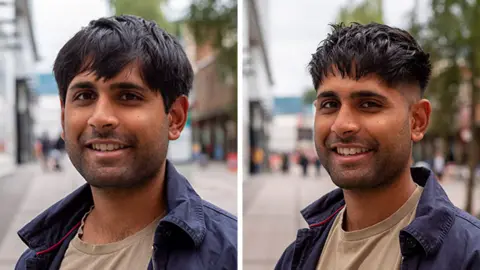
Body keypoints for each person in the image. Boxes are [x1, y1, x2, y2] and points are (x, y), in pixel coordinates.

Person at [15, 15, 237, 270]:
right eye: (85, 96)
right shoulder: (36, 259)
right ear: (64, 115)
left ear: (175, 118)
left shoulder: (228, 255)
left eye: (128, 96)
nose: (100, 119)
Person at [275, 23, 480, 270]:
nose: (342, 125)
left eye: (369, 104)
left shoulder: (468, 256)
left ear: (417, 120)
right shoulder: (297, 258)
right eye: (330, 104)